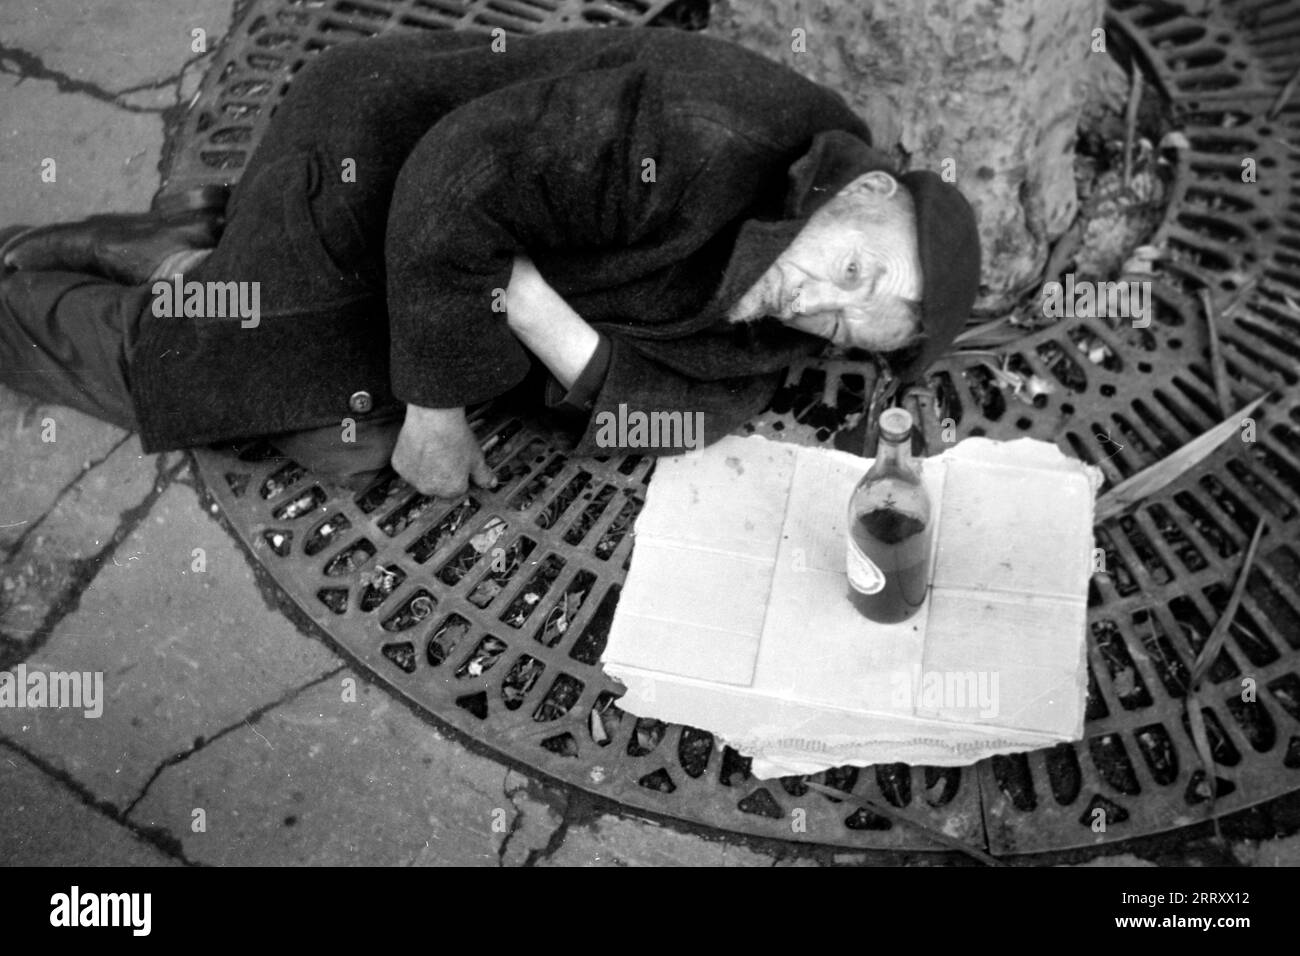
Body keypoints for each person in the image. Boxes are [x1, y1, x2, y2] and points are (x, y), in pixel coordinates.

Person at [0, 26, 980, 496]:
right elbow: (451, 181)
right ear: (864, 193)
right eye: (854, 272)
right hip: (372, 165)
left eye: (849, 325)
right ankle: (96, 293)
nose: (820, 302)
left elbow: (687, 407)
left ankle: (189, 251)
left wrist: (532, 306)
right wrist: (435, 404)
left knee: (342, 444)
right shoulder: (699, 134)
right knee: (214, 372)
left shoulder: (794, 259)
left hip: (469, 264)